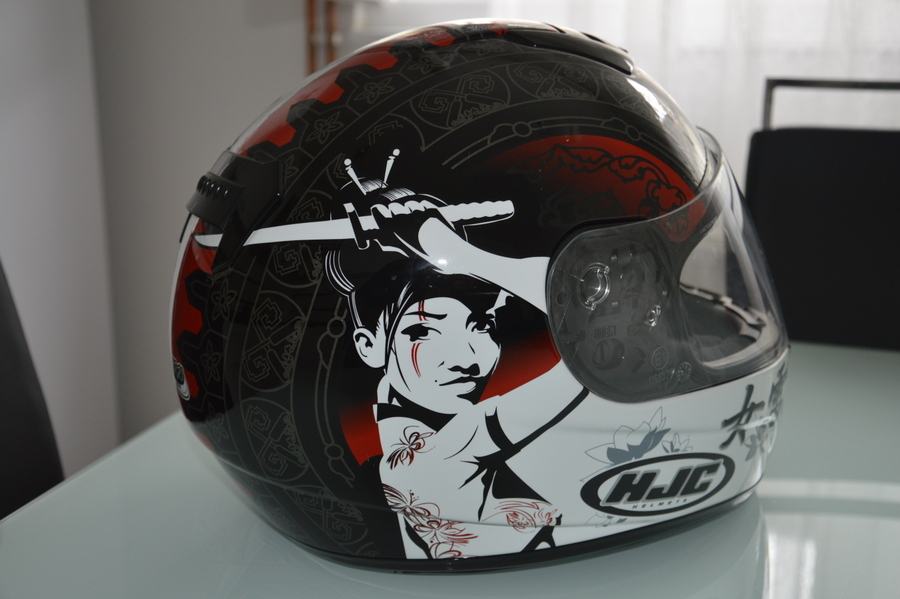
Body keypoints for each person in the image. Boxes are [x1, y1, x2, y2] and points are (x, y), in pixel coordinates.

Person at [326, 181, 587, 559]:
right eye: (423, 331)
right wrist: (451, 249)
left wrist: (447, 249)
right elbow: (585, 338)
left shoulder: (437, 449)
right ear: (369, 346)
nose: (467, 359)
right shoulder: (434, 455)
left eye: (481, 326)